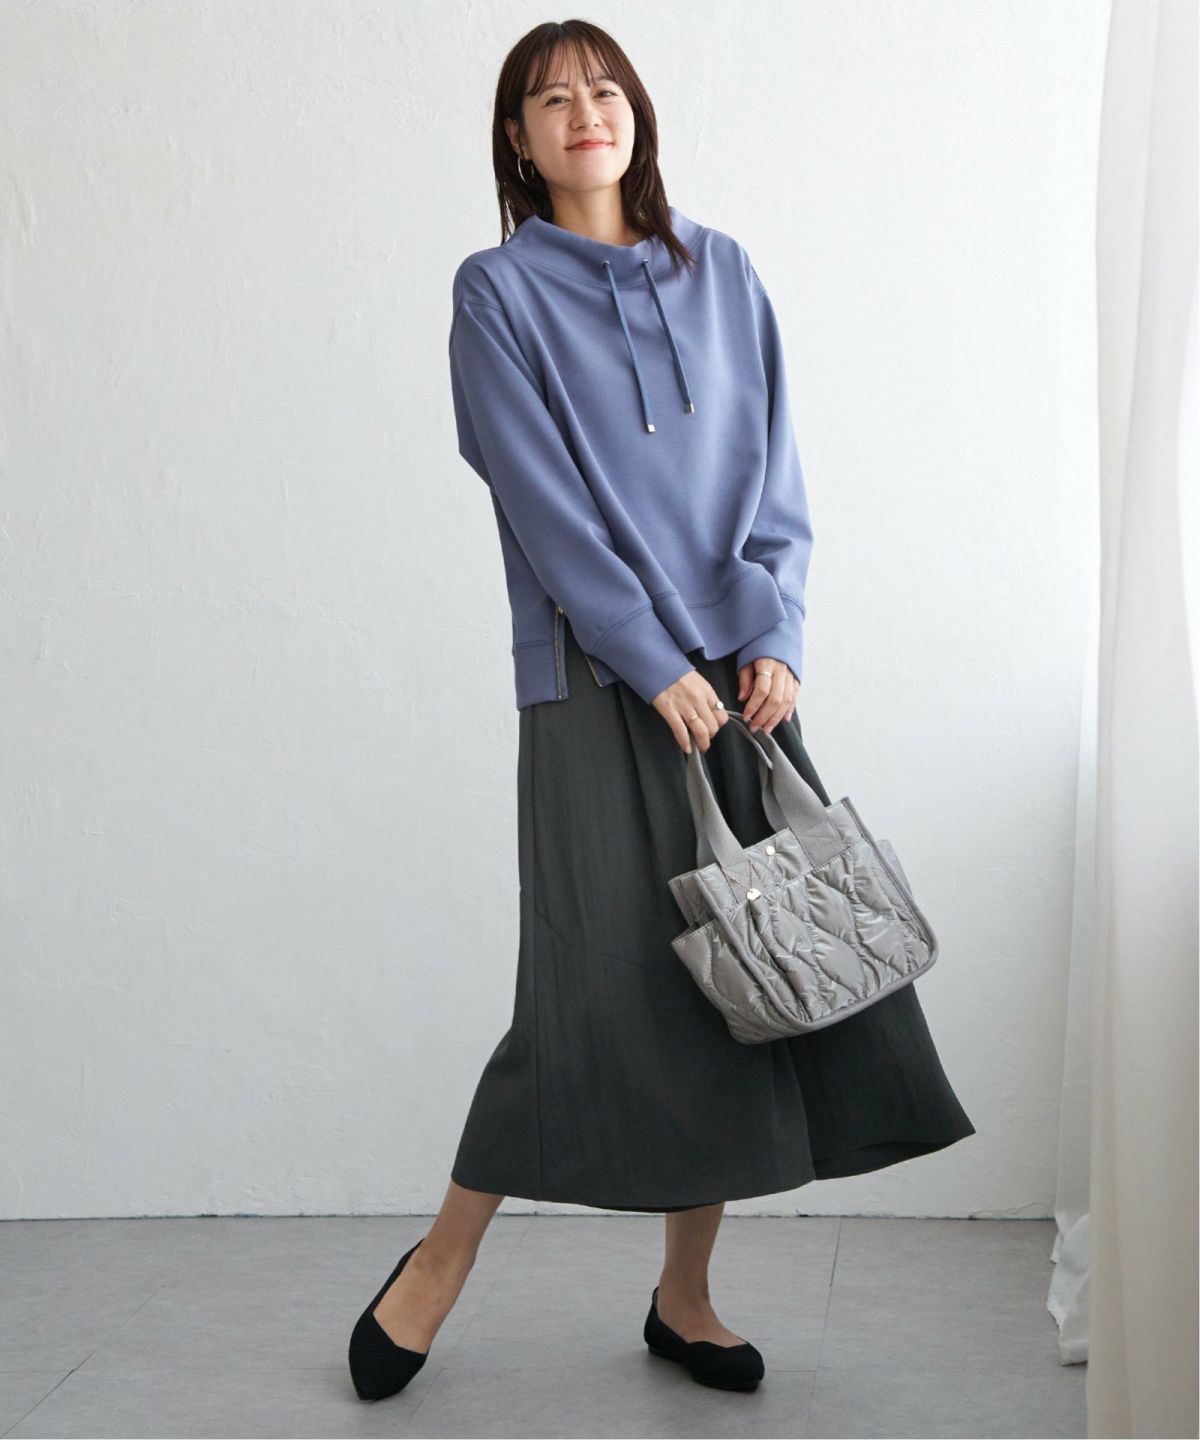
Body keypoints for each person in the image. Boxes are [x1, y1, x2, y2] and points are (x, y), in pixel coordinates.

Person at [348, 19, 975, 1403]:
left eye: (606, 88)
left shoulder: (723, 269)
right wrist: (647, 655)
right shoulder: (496, 293)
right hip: (593, 679)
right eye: (551, 97)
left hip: (740, 680)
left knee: (737, 978)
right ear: (518, 139)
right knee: (579, 993)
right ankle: (439, 1262)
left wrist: (777, 633)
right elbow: (542, 503)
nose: (585, 110)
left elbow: (775, 467)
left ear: (637, 113)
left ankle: (684, 1296)